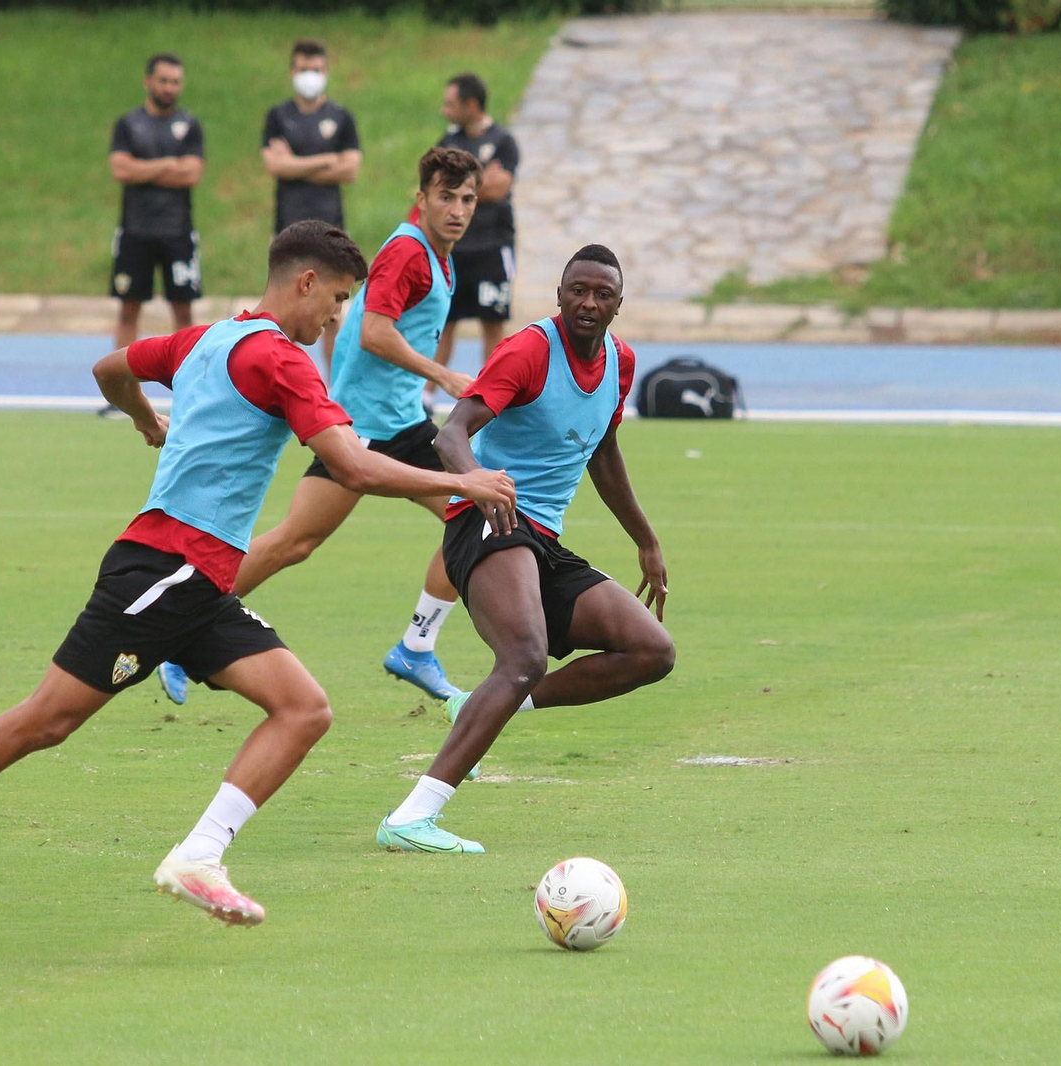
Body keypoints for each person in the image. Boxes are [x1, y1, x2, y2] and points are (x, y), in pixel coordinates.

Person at [0, 221, 517, 935]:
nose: (337, 318)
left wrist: (146, 421)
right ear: (305, 282)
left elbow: (110, 368)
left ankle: (199, 857)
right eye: (339, 299)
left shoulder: (207, 337)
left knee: (303, 709)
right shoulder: (284, 362)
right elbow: (350, 464)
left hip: (202, 583)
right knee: (49, 718)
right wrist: (464, 480)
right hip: (164, 571)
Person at [156, 147, 482, 708]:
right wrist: (443, 375)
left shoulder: (438, 254)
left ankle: (416, 648)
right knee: (301, 540)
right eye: (445, 196)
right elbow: (375, 332)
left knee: (466, 522)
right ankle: (179, 631)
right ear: (421, 196)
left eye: (468, 199)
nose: (457, 209)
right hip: (369, 428)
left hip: (398, 421)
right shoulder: (408, 252)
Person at [376, 245, 676, 855]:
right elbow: (450, 434)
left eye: (602, 294)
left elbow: (603, 453)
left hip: (542, 540)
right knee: (523, 657)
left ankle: (483, 706)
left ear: (619, 305)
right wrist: (477, 484)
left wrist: (645, 540)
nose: (588, 303)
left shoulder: (620, 362)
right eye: (577, 291)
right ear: (560, 295)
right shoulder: (530, 351)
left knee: (651, 650)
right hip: (486, 521)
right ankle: (411, 817)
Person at [261, 39, 362, 371]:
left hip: (331, 229)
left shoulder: (341, 117)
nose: (310, 76)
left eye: (316, 70)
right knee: (285, 308)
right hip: (289, 229)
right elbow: (276, 166)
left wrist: (297, 164)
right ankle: (278, 382)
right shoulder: (278, 116)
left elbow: (350, 169)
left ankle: (335, 394)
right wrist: (327, 160)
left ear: (326, 72)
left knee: (333, 310)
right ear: (292, 71)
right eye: (304, 69)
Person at [108, 53, 206, 362]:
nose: (169, 88)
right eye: (163, 81)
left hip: (177, 231)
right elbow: (121, 170)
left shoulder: (189, 125)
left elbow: (191, 173)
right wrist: (166, 165)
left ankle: (187, 387)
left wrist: (143, 170)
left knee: (183, 309)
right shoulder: (128, 124)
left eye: (175, 82)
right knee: (128, 308)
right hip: (135, 230)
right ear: (148, 81)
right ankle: (121, 388)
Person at [428, 72, 521, 388]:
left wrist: (463, 180)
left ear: (471, 104)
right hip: (453, 249)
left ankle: (492, 392)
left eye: (450, 104)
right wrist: (482, 177)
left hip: (493, 247)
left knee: (493, 323)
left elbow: (499, 189)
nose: (445, 110)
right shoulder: (448, 141)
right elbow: (437, 185)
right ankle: (425, 396)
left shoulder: (504, 142)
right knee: (444, 322)